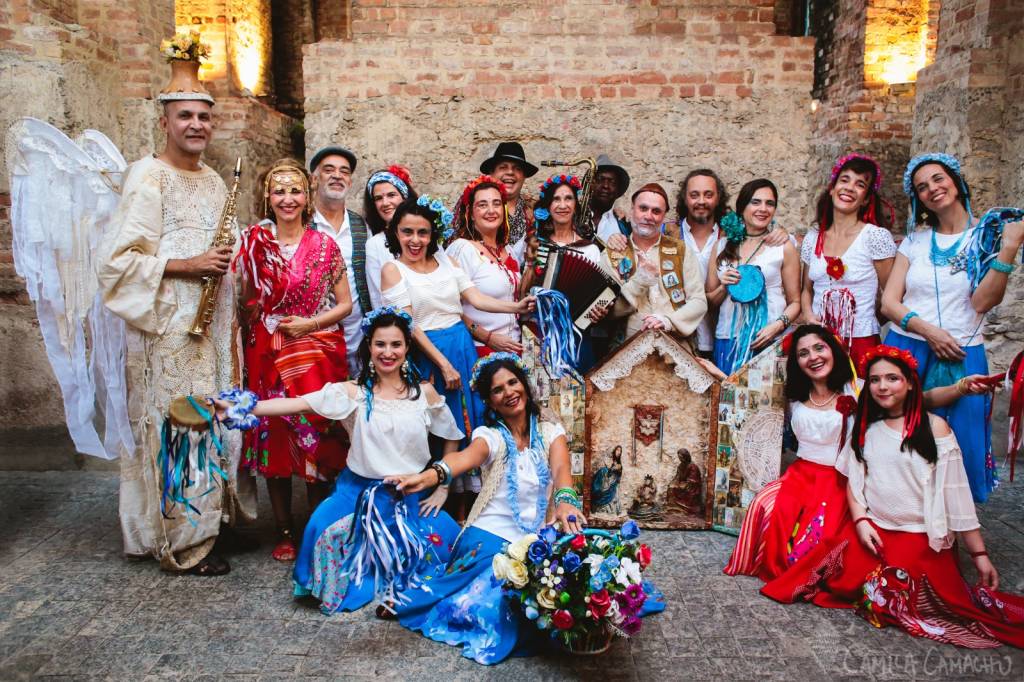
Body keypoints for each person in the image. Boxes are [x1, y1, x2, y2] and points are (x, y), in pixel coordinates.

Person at [386, 353, 665, 665]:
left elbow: (561, 471)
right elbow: (462, 459)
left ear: (525, 386)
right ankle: (415, 597)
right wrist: (428, 476)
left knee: (576, 584)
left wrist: (565, 503)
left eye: (512, 382)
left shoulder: (550, 432)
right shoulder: (489, 437)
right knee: (496, 606)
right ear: (490, 402)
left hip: (537, 537)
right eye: (497, 390)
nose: (508, 392)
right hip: (489, 535)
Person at [97, 43, 254, 576]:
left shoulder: (213, 181)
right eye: (184, 115)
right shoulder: (147, 176)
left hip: (210, 331)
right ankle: (182, 542)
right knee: (177, 429)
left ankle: (208, 525)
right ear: (163, 121)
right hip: (169, 332)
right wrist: (188, 265)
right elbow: (117, 262)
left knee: (210, 423)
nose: (196, 125)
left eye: (204, 117)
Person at [759, 346, 1024, 648]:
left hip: (919, 538)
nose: (882, 386)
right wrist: (860, 521)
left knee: (915, 600)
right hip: (875, 532)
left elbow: (958, 500)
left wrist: (980, 556)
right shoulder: (866, 428)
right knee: (834, 581)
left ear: (910, 382)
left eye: (892, 378)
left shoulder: (935, 428)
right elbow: (853, 483)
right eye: (874, 380)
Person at [214, 307, 464, 612]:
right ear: (369, 346)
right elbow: (296, 404)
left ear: (407, 348)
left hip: (409, 495)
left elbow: (452, 434)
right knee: (319, 529)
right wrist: (242, 408)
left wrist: (442, 485)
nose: (388, 352)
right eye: (380, 344)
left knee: (444, 554)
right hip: (355, 493)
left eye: (396, 344)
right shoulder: (351, 393)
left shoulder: (424, 393)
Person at [726, 325, 995, 584]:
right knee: (764, 506)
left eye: (820, 348)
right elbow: (738, 391)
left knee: (819, 542)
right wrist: (714, 376)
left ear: (834, 350)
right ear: (796, 362)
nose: (813, 357)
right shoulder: (791, 396)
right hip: (801, 475)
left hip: (843, 477)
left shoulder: (860, 388)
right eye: (803, 353)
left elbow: (923, 399)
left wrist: (961, 387)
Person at [881, 153, 1024, 503]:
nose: (932, 188)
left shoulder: (987, 236)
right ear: (918, 199)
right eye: (922, 187)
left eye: (938, 178)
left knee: (961, 444)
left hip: (963, 352)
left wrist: (1008, 247)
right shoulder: (915, 241)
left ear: (956, 181)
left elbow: (981, 303)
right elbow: (889, 302)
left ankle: (954, 536)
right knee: (906, 442)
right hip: (909, 348)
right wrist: (930, 331)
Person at [380, 196, 535, 517]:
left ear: (432, 234)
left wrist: (515, 307)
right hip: (428, 354)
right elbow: (409, 325)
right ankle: (433, 507)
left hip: (462, 346)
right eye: (407, 231)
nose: (415, 240)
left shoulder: (447, 262)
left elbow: (475, 297)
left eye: (422, 233)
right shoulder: (392, 270)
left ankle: (470, 506)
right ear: (396, 232)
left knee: (469, 423)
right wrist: (442, 363)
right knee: (438, 427)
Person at [235, 160, 353, 561]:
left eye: (295, 191)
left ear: (307, 197)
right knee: (276, 443)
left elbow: (346, 305)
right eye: (279, 191)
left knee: (317, 442)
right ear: (268, 198)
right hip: (267, 356)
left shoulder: (324, 246)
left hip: (314, 354)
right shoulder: (253, 242)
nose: (287, 199)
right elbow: (243, 302)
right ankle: (284, 530)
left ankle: (317, 524)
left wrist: (308, 325)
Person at [675, 169, 791, 359]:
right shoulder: (668, 234)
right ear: (684, 198)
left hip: (727, 335)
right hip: (682, 336)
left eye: (708, 194)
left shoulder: (725, 236)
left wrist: (782, 232)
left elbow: (796, 298)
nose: (701, 201)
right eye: (694, 195)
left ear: (719, 198)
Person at [801, 154, 896, 366]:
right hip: (817, 343)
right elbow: (806, 290)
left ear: (865, 199)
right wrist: (808, 315)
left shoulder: (875, 237)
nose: (850, 187)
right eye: (844, 180)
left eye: (860, 184)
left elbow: (891, 294)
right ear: (832, 189)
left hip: (861, 342)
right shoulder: (812, 238)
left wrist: (863, 322)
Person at [706, 179, 801, 376]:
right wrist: (725, 286)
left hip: (767, 338)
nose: (763, 209)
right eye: (756, 202)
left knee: (766, 405)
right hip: (728, 338)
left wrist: (777, 326)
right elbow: (709, 302)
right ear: (742, 207)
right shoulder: (721, 246)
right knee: (727, 400)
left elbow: (796, 302)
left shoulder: (784, 247)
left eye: (770, 203)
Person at [602, 182, 707, 345]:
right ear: (632, 210)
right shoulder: (611, 254)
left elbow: (699, 301)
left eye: (656, 211)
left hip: (675, 348)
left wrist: (669, 321)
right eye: (643, 208)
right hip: (626, 351)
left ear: (664, 216)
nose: (649, 216)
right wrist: (640, 281)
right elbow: (609, 311)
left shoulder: (681, 250)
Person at [519, 174, 603, 370]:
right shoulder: (536, 243)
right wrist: (531, 263)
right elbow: (521, 295)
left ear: (576, 205)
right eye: (556, 199)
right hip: (540, 332)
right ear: (548, 206)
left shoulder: (589, 250)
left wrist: (598, 311)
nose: (562, 205)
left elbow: (596, 294)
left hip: (576, 335)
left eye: (568, 198)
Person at [309, 145, 371, 375]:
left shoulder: (361, 227)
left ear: (350, 181)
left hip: (359, 338)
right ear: (314, 178)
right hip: (316, 337)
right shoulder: (301, 224)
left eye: (344, 171)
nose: (337, 175)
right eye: (329, 170)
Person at [448, 175, 524, 356]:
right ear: (471, 214)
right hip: (480, 349)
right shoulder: (462, 249)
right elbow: (449, 306)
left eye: (497, 204)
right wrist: (487, 337)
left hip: (515, 349)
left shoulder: (510, 251)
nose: (491, 210)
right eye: (482, 205)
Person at [362, 165, 418, 310]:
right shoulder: (375, 244)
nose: (385, 203)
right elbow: (377, 297)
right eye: (378, 198)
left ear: (404, 197)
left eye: (391, 195)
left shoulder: (425, 233)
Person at [479, 141, 538, 253]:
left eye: (517, 168)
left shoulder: (536, 209)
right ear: (491, 173)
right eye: (503, 167)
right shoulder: (473, 205)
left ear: (524, 176)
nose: (510, 172)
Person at [590, 154, 632, 242]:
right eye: (600, 179)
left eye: (612, 182)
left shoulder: (624, 226)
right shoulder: (573, 216)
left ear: (618, 190)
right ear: (590, 184)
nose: (605, 186)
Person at [666, 448, 703, 515]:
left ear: (686, 456)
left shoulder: (693, 466)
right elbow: (677, 476)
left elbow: (693, 480)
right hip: (682, 484)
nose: (680, 459)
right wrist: (673, 483)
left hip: (692, 486)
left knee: (685, 489)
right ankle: (673, 508)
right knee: (671, 488)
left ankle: (687, 509)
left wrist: (684, 484)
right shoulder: (680, 466)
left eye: (681, 457)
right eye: (679, 458)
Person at [590, 445, 623, 514]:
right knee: (602, 471)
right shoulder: (609, 460)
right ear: (614, 451)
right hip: (605, 480)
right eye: (617, 450)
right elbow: (606, 470)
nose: (619, 452)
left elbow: (617, 475)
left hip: (612, 482)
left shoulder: (618, 464)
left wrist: (614, 470)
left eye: (620, 451)